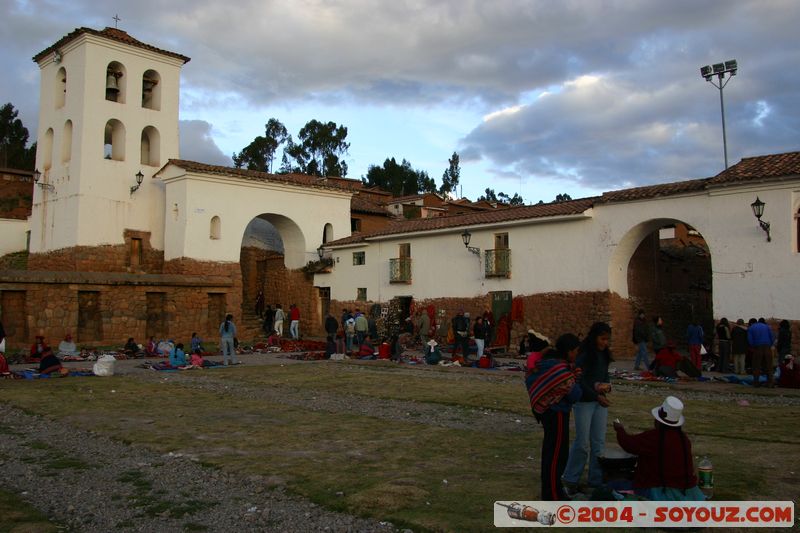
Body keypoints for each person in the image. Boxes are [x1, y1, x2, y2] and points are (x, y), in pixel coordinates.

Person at [613, 396, 705, 501]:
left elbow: (628, 444)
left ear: (659, 421)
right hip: (687, 490)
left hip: (659, 490)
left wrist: (619, 430)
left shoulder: (655, 437)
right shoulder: (683, 438)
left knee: (613, 486)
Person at [526, 333, 582, 500]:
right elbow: (575, 394)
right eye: (576, 351)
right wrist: (576, 379)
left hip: (550, 413)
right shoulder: (560, 370)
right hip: (556, 413)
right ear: (570, 351)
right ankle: (552, 494)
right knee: (556, 455)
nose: (577, 355)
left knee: (552, 453)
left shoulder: (550, 364)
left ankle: (554, 490)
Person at [562, 322, 613, 496]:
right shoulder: (584, 354)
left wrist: (606, 387)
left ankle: (595, 481)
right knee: (582, 443)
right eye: (602, 338)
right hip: (584, 402)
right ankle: (570, 478)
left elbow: (604, 375)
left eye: (607, 339)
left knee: (598, 443)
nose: (605, 342)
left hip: (599, 402)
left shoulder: (604, 354)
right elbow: (579, 380)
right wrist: (596, 394)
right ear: (594, 337)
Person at [747, 317, 774, 387]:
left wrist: (754, 346)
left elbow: (750, 340)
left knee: (756, 365)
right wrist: (769, 345)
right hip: (767, 347)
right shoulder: (767, 327)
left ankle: (756, 382)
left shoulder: (751, 328)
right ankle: (770, 383)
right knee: (769, 366)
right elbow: (772, 337)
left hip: (757, 347)